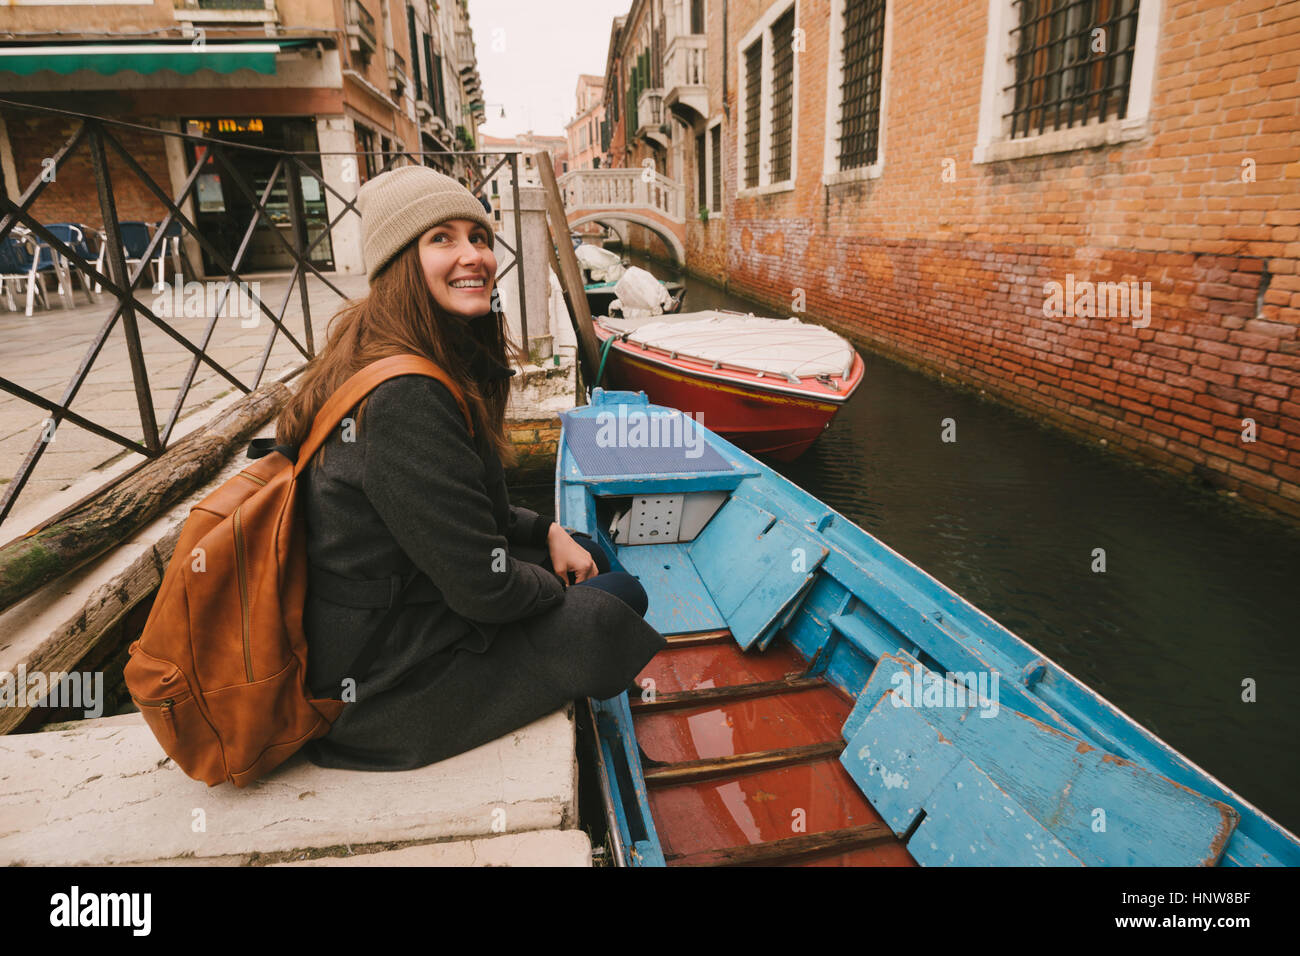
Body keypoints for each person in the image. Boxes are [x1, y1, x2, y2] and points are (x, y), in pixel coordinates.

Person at [274, 165, 665, 771]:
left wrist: (550, 534)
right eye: (442, 239)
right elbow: (483, 588)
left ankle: (603, 671)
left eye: (478, 237)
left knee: (585, 547)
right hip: (383, 690)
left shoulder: (387, 354)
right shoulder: (406, 395)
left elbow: (465, 513)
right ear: (400, 262)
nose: (473, 255)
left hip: (404, 619)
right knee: (620, 593)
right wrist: (562, 582)